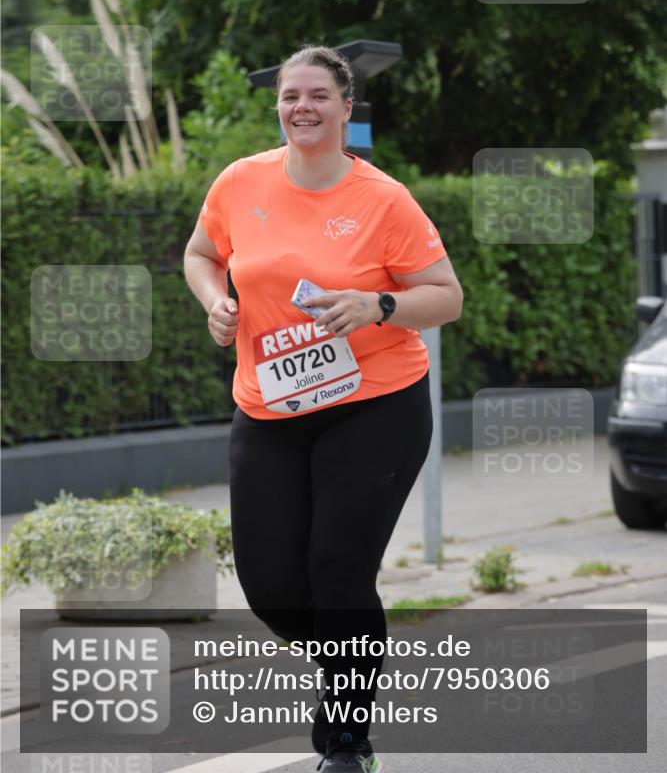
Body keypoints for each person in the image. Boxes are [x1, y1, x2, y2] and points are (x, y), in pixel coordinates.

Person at [184, 45, 464, 772]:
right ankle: (354, 654)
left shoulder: (382, 198)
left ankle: (345, 740)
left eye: (316, 96)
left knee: (338, 571)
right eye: (289, 97)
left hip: (374, 405)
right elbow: (200, 254)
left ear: (345, 108)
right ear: (277, 106)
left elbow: (446, 295)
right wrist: (217, 303)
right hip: (269, 408)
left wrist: (377, 303)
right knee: (272, 587)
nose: (300, 107)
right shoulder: (240, 180)